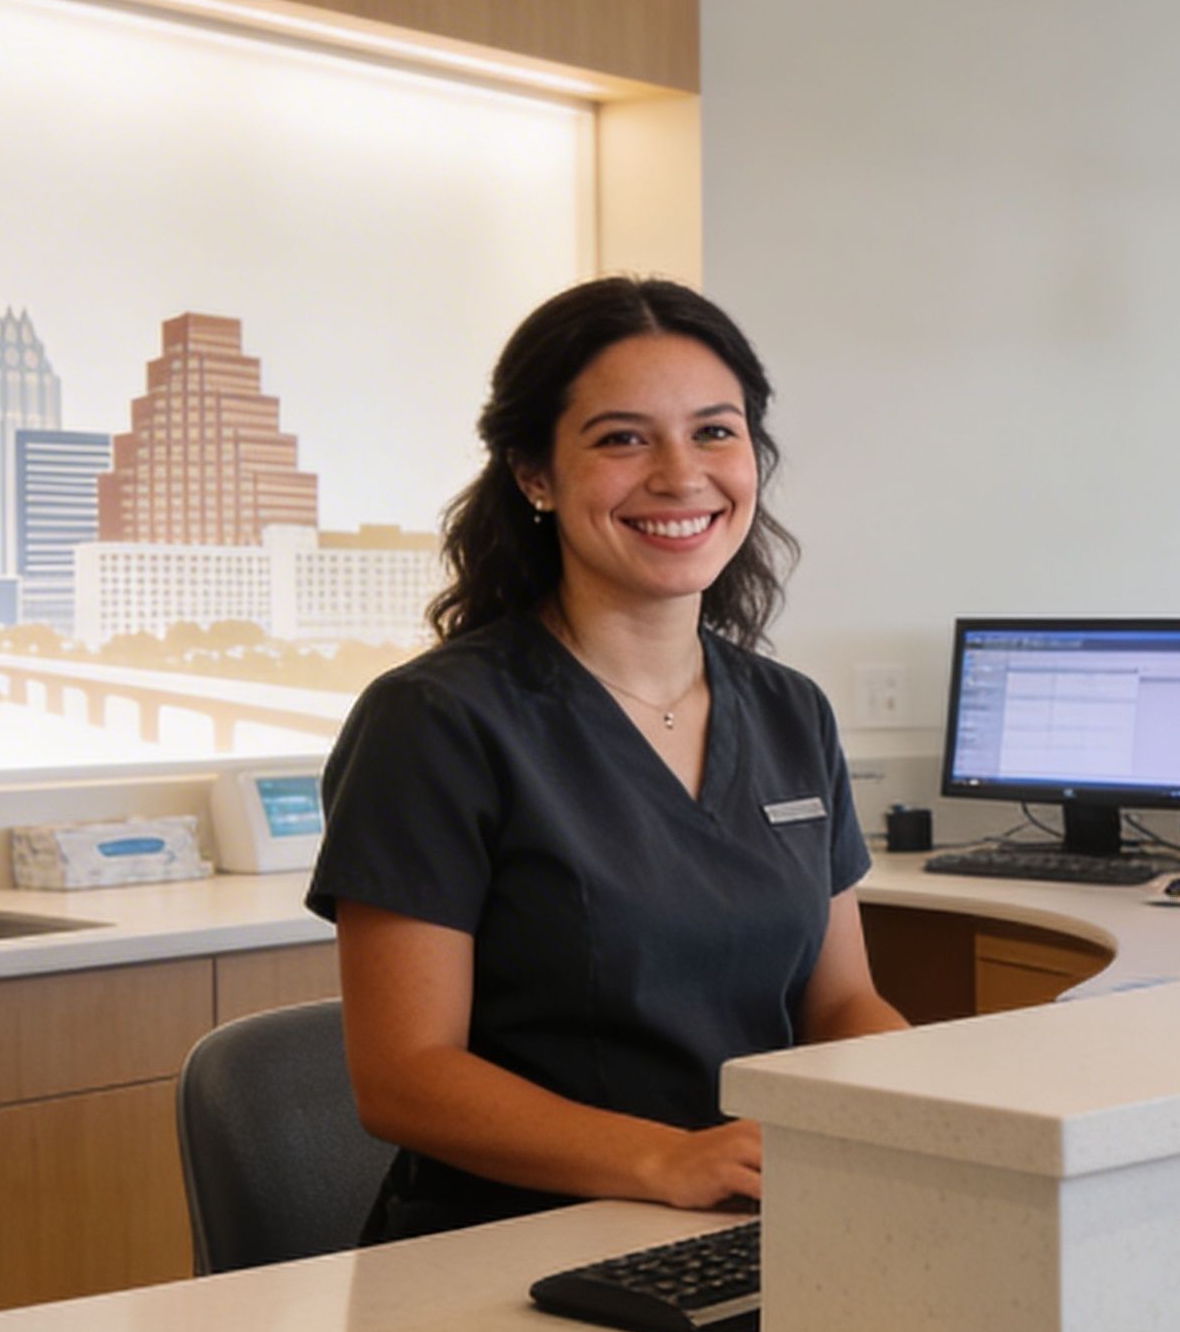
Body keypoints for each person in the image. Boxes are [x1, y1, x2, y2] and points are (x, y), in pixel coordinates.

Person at [307, 276, 905, 1241]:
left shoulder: (791, 713)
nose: (681, 475)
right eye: (623, 438)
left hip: (753, 1221)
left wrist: (936, 1106)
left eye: (716, 431)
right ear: (534, 474)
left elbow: (839, 1002)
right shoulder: (435, 723)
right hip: (508, 1253)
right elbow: (405, 1078)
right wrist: (666, 1158)